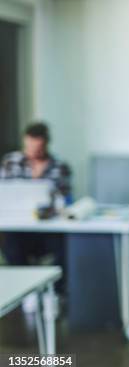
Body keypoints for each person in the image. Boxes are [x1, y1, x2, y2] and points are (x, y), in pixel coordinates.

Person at [0, 122, 72, 291]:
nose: (33, 152)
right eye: (30, 147)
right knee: (10, 246)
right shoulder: (11, 162)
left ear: (46, 144)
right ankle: (25, 291)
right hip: (18, 227)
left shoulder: (59, 167)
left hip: (48, 229)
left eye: (38, 148)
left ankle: (55, 292)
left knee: (65, 247)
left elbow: (67, 201)